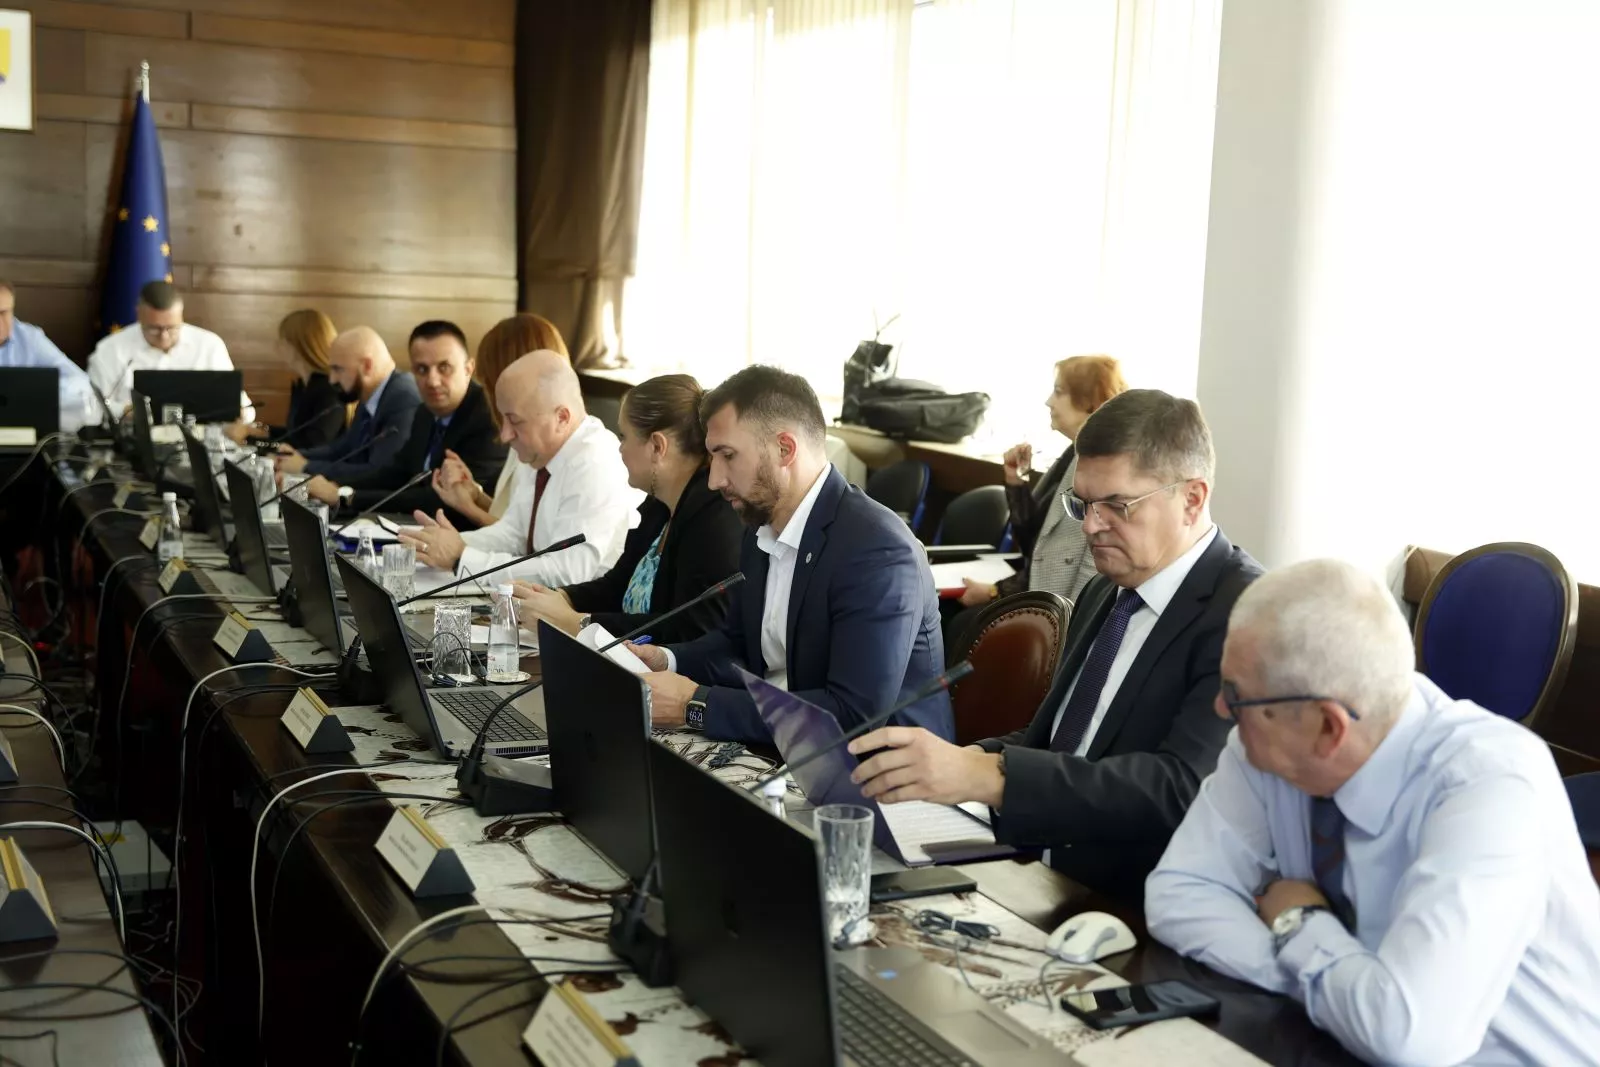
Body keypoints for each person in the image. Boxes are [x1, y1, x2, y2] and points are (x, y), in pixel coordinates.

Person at [1146, 560, 1600, 1066]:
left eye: (1236, 696)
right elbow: (1177, 892)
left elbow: (1411, 1038)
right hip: (1341, 1047)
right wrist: (1337, 987)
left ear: (1328, 728)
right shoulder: (1268, 743)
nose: (1220, 709)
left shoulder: (1490, 785)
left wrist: (1299, 923)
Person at [845, 389, 1261, 899]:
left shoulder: (1246, 613)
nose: (1090, 526)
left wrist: (990, 776)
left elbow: (1180, 790)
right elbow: (1064, 738)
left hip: (1136, 903)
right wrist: (958, 760)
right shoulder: (1106, 590)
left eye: (1116, 505)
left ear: (1192, 499)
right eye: (1082, 503)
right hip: (1037, 868)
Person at [625, 365, 953, 744]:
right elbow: (738, 645)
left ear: (785, 449)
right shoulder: (760, 529)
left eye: (727, 455)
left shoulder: (877, 550)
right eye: (713, 457)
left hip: (881, 768)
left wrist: (695, 705)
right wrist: (667, 660)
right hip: (786, 750)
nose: (714, 480)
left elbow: (852, 716)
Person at [512, 373, 743, 644]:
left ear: (657, 446)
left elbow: (691, 629)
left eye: (624, 436)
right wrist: (558, 597)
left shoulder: (715, 519)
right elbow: (617, 585)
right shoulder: (659, 505)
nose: (620, 449)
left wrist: (579, 624)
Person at [400, 349, 640, 587]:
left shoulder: (595, 464)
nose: (505, 435)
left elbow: (566, 572)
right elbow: (514, 535)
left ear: (562, 418)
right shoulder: (539, 452)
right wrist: (440, 543)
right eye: (503, 418)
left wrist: (461, 558)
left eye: (515, 421)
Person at [958, 355, 1128, 611]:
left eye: (1059, 391)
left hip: (1053, 609)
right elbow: (1035, 543)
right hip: (1036, 592)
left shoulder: (1098, 471)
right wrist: (1016, 481)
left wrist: (994, 592)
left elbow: (1074, 571)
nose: (1049, 401)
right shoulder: (1071, 454)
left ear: (1089, 401)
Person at [301, 321, 505, 523]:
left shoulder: (488, 418)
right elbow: (396, 473)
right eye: (422, 369)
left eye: (444, 367)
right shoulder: (425, 412)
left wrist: (347, 497)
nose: (433, 381)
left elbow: (441, 500)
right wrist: (334, 486)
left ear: (468, 368)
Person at [431, 313, 569, 526]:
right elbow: (513, 519)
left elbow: (527, 542)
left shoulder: (561, 449)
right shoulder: (524, 429)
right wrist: (476, 495)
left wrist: (468, 508)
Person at [87, 280, 254, 422]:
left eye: (172, 328)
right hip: (133, 439)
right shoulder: (110, 350)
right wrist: (127, 411)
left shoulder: (209, 345)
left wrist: (239, 412)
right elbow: (91, 408)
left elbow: (244, 408)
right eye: (154, 329)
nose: (164, 336)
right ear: (139, 314)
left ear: (181, 316)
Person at [275, 326, 420, 484]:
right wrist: (295, 456)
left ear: (367, 366)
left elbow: (379, 472)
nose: (332, 380)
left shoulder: (403, 399)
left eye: (338, 369)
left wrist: (306, 466)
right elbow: (343, 448)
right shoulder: (369, 393)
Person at [225, 309, 346, 450]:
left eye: (283, 340)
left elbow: (312, 444)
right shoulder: (305, 385)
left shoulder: (330, 389)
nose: (277, 347)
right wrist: (255, 431)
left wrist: (251, 438)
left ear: (299, 345)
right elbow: (296, 434)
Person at [0, 280, 97, 433]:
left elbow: (80, 381)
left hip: (25, 429)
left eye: (4, 313)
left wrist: (38, 393)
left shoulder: (30, 338)